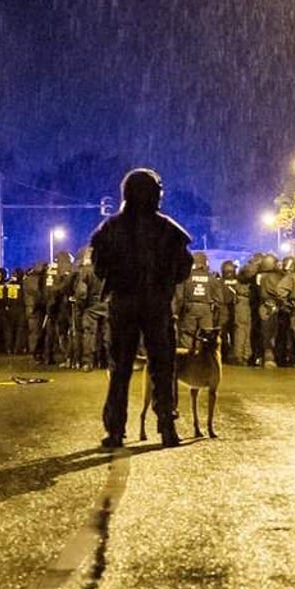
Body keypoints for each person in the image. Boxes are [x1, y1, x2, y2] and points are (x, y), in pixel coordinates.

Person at [90, 168, 193, 449]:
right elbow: (184, 267)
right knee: (163, 366)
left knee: (120, 369)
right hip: (156, 304)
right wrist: (162, 283)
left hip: (124, 303)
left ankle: (115, 430)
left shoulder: (110, 229)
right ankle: (167, 427)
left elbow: (100, 268)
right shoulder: (168, 229)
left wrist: (125, 279)